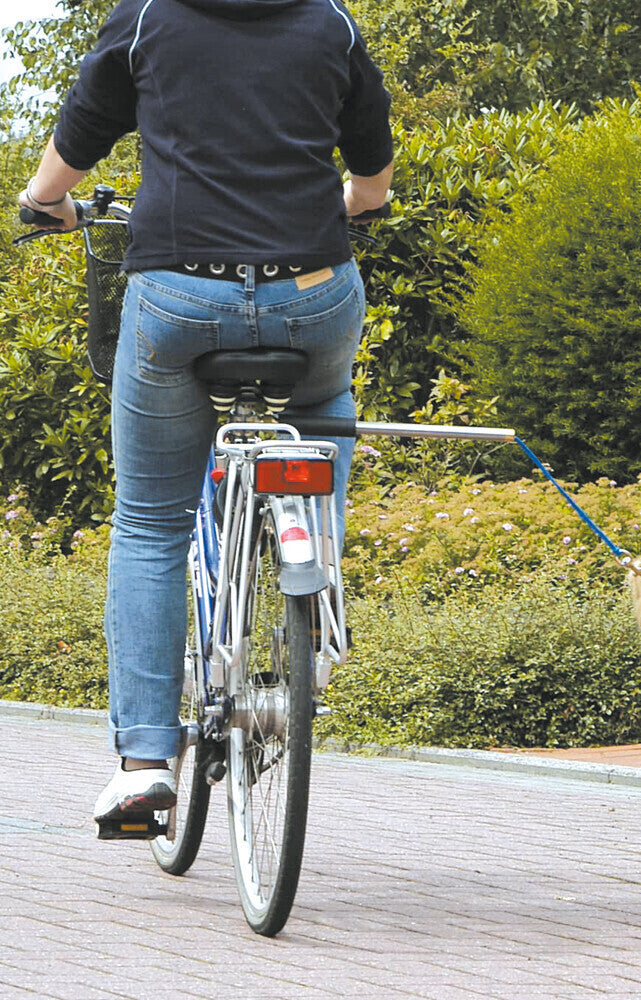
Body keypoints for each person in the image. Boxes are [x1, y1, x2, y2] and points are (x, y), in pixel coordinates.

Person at [18, 0, 393, 829]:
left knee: (152, 519)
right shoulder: (331, 21)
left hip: (178, 297)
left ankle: (145, 762)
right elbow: (371, 183)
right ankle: (314, 615)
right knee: (325, 408)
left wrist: (45, 203)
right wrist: (350, 201)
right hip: (312, 294)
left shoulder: (149, 17)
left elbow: (78, 138)